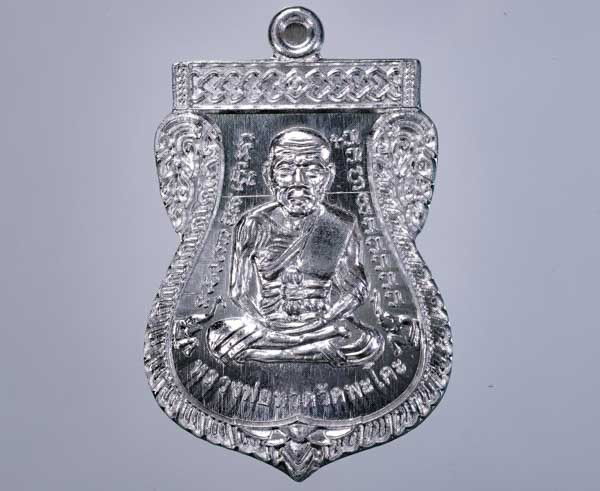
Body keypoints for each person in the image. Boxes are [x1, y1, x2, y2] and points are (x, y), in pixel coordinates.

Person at [207, 127, 384, 366]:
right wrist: (264, 322)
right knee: (218, 335)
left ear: (329, 175)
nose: (298, 182)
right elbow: (239, 291)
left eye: (312, 171)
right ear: (269, 175)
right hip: (269, 325)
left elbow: (356, 289)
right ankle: (306, 351)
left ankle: (273, 355)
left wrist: (324, 320)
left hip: (321, 324)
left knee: (367, 342)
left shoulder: (339, 224)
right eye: (285, 170)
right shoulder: (255, 224)